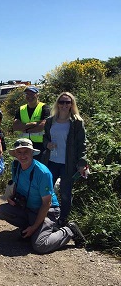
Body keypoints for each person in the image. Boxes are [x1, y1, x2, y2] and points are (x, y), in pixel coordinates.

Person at [0, 138, 86, 254]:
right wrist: (10, 197)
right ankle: (32, 230)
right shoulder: (16, 166)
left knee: (40, 245)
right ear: (15, 154)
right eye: (19, 152)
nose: (22, 156)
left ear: (32, 153)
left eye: (26, 152)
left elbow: (46, 203)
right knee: (3, 210)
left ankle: (69, 230)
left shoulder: (42, 173)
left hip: (48, 211)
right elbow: (15, 185)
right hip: (28, 208)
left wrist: (34, 227)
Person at [43, 92, 87, 225]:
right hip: (51, 161)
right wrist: (47, 144)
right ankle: (44, 215)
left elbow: (82, 143)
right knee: (46, 189)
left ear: (72, 104)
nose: (64, 105)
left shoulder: (77, 122)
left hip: (68, 163)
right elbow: (45, 138)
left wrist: (82, 163)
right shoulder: (51, 120)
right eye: (61, 102)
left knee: (66, 193)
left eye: (67, 102)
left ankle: (63, 219)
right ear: (57, 104)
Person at [13, 86, 50, 160]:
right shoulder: (21, 109)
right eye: (27, 94)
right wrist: (33, 124)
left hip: (40, 145)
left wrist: (25, 129)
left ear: (37, 95)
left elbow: (42, 126)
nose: (29, 96)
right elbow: (15, 126)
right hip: (24, 145)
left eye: (32, 94)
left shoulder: (44, 107)